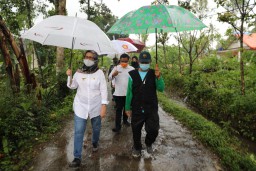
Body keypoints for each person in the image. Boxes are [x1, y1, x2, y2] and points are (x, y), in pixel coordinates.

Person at [66, 50, 108, 167]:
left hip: (96, 106)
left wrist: (104, 105)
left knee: (96, 128)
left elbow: (104, 89)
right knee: (79, 131)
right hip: (81, 106)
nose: (88, 59)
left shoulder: (99, 73)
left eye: (91, 57)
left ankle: (95, 142)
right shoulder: (79, 72)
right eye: (86, 57)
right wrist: (69, 76)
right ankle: (77, 157)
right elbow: (72, 86)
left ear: (95, 60)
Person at [125, 51, 165, 157]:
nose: (144, 63)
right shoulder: (132, 75)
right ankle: (137, 147)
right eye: (142, 61)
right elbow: (129, 92)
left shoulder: (154, 73)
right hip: (137, 108)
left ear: (150, 62)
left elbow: (161, 89)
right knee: (136, 130)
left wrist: (159, 77)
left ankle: (148, 143)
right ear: (138, 61)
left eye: (146, 62)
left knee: (153, 129)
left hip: (151, 108)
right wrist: (127, 107)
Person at [109, 53, 134, 132]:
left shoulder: (132, 69)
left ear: (128, 61)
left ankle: (125, 121)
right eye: (122, 61)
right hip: (118, 93)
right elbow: (109, 78)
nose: (124, 63)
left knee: (126, 108)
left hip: (128, 94)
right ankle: (117, 126)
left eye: (125, 61)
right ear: (120, 61)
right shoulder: (116, 68)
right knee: (119, 110)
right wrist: (113, 74)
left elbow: (135, 80)